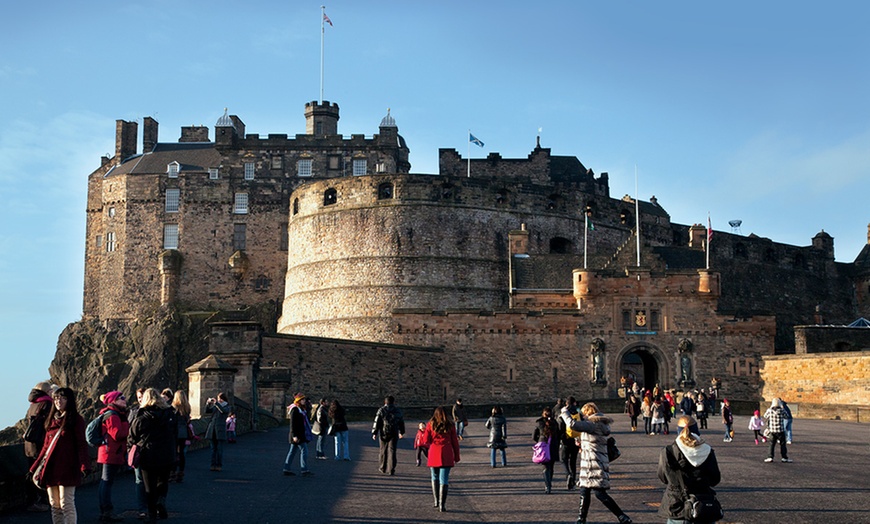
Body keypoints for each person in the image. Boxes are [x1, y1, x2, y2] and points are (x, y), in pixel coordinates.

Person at [29, 387, 90, 524]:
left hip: (68, 467)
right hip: (51, 468)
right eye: (56, 398)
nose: (58, 401)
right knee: (54, 505)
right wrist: (34, 467)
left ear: (69, 400)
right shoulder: (51, 420)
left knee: (66, 504)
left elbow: (81, 444)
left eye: (63, 398)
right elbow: (45, 447)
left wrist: (84, 465)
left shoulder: (75, 420)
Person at [565, 402, 633, 524]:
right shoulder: (597, 425)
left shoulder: (593, 424)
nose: (583, 416)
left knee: (599, 493)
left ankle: (622, 516)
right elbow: (593, 441)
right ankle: (581, 519)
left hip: (594, 464)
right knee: (584, 491)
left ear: (588, 413)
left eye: (584, 414)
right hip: (591, 463)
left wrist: (564, 412)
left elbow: (572, 425)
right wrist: (582, 443)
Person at [657, 416, 721, 524]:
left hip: (678, 505)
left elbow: (663, 477)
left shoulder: (668, 451)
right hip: (702, 504)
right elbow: (715, 479)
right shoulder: (708, 451)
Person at [128, 387, 177, 522]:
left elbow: (132, 437)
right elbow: (176, 434)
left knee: (149, 487)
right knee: (163, 481)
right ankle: (161, 500)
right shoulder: (170, 414)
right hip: (167, 454)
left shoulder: (141, 416)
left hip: (148, 455)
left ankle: (152, 515)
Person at [96, 390, 129, 523]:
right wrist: (127, 424)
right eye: (121, 398)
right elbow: (117, 434)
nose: (125, 399)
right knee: (106, 482)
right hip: (110, 453)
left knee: (106, 482)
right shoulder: (113, 415)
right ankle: (107, 512)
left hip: (110, 452)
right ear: (113, 400)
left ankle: (105, 511)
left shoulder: (113, 414)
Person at [422, 406, 461, 512]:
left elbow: (425, 440)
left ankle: (436, 500)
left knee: (434, 477)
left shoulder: (430, 424)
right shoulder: (451, 425)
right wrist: (457, 456)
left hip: (434, 452)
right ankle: (442, 504)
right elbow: (455, 442)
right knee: (444, 479)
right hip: (446, 452)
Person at [23, 381, 53, 512]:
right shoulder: (47, 403)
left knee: (32, 471)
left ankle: (32, 501)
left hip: (29, 445)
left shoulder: (33, 405)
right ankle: (42, 500)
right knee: (42, 472)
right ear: (47, 391)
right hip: (41, 443)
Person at [372, 395, 405, 475]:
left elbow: (377, 422)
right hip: (394, 432)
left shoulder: (381, 410)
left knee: (383, 450)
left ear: (385, 402)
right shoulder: (397, 411)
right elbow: (401, 422)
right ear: (394, 402)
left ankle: (382, 467)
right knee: (392, 451)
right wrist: (402, 432)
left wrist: (374, 432)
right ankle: (391, 469)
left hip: (383, 433)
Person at [283, 392, 314, 476]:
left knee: (292, 452)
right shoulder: (295, 410)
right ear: (299, 401)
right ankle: (304, 469)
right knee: (304, 451)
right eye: (302, 399)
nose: (304, 401)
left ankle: (286, 468)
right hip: (297, 435)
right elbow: (292, 424)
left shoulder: (301, 410)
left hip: (300, 434)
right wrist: (294, 436)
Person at [129, 387, 148, 518]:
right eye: (138, 397)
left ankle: (152, 506)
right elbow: (130, 431)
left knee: (151, 480)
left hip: (151, 451)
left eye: (142, 396)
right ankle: (143, 509)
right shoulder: (134, 411)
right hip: (139, 451)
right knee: (139, 480)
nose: (140, 399)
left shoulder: (155, 411)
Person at [533, 407, 561, 494]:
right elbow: (558, 435)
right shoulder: (555, 423)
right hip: (553, 446)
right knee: (551, 467)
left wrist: (539, 440)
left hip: (543, 447)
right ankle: (549, 483)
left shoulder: (539, 423)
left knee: (545, 467)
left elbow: (534, 436)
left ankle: (547, 485)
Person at [205, 392, 230, 471]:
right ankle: (213, 464)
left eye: (220, 398)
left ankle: (219, 465)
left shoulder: (227, 406)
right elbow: (208, 411)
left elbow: (223, 411)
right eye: (218, 398)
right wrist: (208, 404)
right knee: (213, 449)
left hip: (220, 430)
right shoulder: (216, 407)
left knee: (219, 449)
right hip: (212, 429)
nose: (219, 400)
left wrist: (216, 404)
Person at [559, 397, 580, 489]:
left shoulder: (564, 413)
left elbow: (560, 427)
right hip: (575, 439)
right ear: (574, 403)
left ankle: (568, 474)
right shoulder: (578, 412)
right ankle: (573, 482)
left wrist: (561, 438)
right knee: (573, 461)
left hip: (566, 440)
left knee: (564, 459)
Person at [170, 390, 191, 483]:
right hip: (184, 432)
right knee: (181, 453)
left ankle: (172, 473)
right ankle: (180, 473)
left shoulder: (174, 407)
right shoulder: (187, 407)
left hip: (175, 432)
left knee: (174, 453)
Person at [763, 398, 791, 463]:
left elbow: (765, 416)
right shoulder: (782, 410)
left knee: (771, 444)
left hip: (772, 430)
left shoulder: (769, 410)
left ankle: (770, 457)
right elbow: (786, 416)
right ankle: (784, 457)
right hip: (780, 430)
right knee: (782, 444)